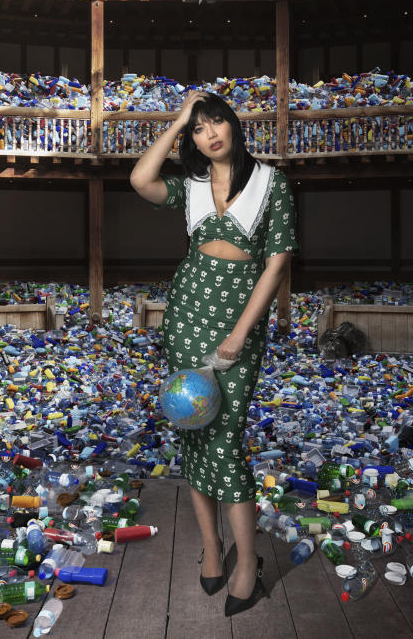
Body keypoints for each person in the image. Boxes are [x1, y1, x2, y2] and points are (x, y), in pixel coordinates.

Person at [130, 90, 298, 617]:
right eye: (199, 129)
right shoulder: (192, 186)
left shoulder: (272, 182)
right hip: (187, 312)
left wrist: (241, 333)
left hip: (237, 320)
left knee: (225, 439)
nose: (210, 133)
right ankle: (210, 548)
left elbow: (275, 265)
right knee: (192, 429)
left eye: (216, 122)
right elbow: (140, 180)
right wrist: (178, 118)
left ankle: (247, 561)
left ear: (233, 124)